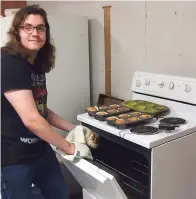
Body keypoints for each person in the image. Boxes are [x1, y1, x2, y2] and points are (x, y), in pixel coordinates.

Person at [1, 4, 90, 199]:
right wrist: (69, 148)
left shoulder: (35, 64)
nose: (35, 33)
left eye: (40, 28)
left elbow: (41, 110)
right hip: (14, 158)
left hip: (40, 150)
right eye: (28, 27)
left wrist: (73, 128)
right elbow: (32, 119)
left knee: (60, 193)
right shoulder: (9, 63)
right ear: (17, 32)